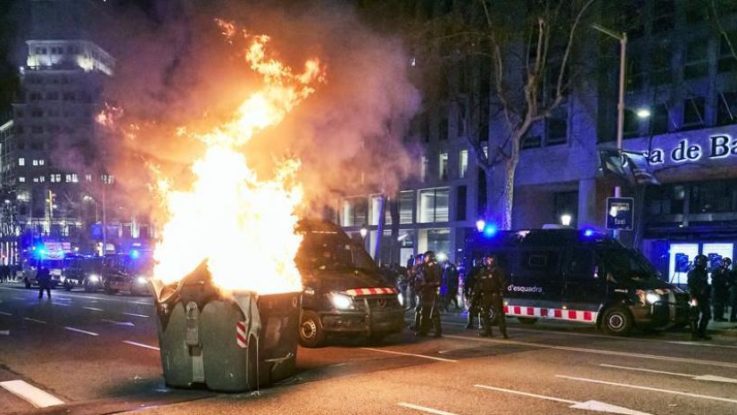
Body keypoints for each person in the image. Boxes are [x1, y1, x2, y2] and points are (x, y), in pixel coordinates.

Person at [475, 255, 509, 339]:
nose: (488, 261)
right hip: (486, 295)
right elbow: (479, 283)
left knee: (499, 314)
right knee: (485, 314)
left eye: (490, 259)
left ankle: (503, 332)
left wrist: (501, 292)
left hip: (495, 295)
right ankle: (487, 331)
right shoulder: (483, 271)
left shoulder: (497, 270)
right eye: (487, 259)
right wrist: (477, 294)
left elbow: (504, 282)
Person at [416, 251, 442, 337]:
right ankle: (424, 330)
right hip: (425, 293)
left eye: (426, 257)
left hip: (432, 293)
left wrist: (427, 284)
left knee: (434, 313)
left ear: (430, 257)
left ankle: (438, 332)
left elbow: (438, 282)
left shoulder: (435, 267)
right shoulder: (424, 267)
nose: (425, 259)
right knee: (424, 312)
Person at [688, 254, 711, 340]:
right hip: (694, 296)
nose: (706, 264)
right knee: (694, 316)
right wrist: (693, 296)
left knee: (707, 314)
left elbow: (705, 284)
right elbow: (691, 285)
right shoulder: (693, 272)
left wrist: (707, 291)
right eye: (704, 262)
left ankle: (701, 332)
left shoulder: (704, 272)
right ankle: (694, 334)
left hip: (703, 296)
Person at [711, 258, 731, 322]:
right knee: (717, 304)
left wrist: (728, 284)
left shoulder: (727, 270)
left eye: (728, 263)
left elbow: (728, 279)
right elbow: (713, 277)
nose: (726, 264)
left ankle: (720, 316)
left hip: (723, 289)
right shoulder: (717, 269)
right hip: (717, 289)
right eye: (725, 262)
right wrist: (720, 273)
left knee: (722, 304)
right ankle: (716, 317)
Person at [464, 258, 481, 329]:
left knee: (471, 308)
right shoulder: (482, 270)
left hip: (474, 291)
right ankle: (480, 324)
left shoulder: (472, 271)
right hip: (478, 291)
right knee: (478, 308)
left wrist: (466, 292)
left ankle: (470, 323)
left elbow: (467, 282)